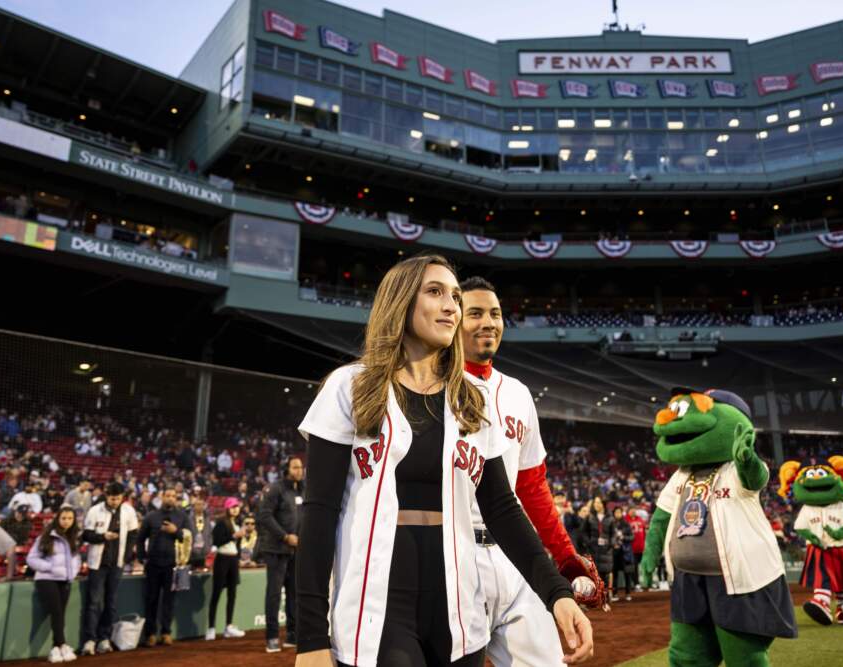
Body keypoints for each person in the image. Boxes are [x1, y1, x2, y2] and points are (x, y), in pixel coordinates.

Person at [294, 255, 592, 667]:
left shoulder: (473, 398)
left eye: (455, 295)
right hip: (377, 601)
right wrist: (310, 637)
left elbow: (503, 508)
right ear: (400, 302)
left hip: (458, 601)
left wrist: (556, 594)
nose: (451, 305)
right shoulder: (350, 387)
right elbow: (319, 514)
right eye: (435, 292)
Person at [459, 276, 604, 666]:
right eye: (474, 313)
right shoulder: (431, 387)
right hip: (453, 553)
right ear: (453, 319)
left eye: (495, 313)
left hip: (515, 554)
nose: (487, 322)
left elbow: (532, 486)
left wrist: (564, 555)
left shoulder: (519, 393)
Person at [80, 482, 139, 656]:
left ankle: (104, 638)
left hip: (117, 564)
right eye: (112, 498)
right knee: (93, 603)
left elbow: (133, 535)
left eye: (118, 498)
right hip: (97, 564)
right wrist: (102, 537)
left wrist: (127, 556)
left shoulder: (128, 511)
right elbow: (86, 535)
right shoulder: (95, 510)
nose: (115, 501)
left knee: (111, 603)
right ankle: (90, 639)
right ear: (107, 496)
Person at [256, 456, 304, 653]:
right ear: (287, 469)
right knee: (274, 594)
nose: (299, 470)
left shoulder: (303, 489)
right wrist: (285, 536)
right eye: (295, 467)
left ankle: (292, 635)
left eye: (301, 467)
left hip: (296, 550)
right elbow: (264, 516)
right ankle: (272, 637)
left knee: (293, 593)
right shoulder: (275, 488)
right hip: (276, 549)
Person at [136, 487, 190, 647]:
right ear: (162, 496)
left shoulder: (182, 517)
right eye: (168, 495)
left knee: (169, 601)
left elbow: (188, 537)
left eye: (174, 496)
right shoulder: (151, 516)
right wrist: (142, 557)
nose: (171, 498)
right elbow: (140, 539)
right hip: (153, 564)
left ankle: (166, 632)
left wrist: (176, 531)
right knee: (151, 600)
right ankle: (151, 634)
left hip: (174, 566)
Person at [27, 506, 82, 664]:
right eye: (64, 518)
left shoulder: (74, 538)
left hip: (65, 580)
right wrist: (49, 568)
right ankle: (60, 645)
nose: (66, 521)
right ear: (58, 518)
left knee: (60, 614)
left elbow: (76, 559)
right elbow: (31, 559)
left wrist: (72, 573)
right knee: (57, 612)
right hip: (46, 579)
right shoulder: (46, 536)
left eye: (70, 519)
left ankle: (57, 647)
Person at [206, 497, 247, 641]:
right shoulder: (221, 523)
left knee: (232, 594)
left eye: (237, 506)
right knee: (216, 594)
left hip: (233, 560)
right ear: (227, 508)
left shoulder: (237, 524)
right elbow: (217, 542)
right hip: (222, 559)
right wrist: (234, 536)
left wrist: (239, 558)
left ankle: (228, 626)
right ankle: (211, 628)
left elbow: (237, 546)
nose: (236, 509)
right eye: (233, 506)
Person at [609, 506, 635, 601]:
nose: (618, 514)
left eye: (619, 512)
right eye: (616, 512)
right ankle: (615, 594)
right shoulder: (611, 524)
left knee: (627, 573)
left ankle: (628, 593)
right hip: (614, 552)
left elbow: (632, 537)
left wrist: (623, 537)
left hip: (625, 552)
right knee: (614, 573)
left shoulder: (626, 524)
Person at [188, 496, 213, 569]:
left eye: (202, 504)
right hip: (192, 551)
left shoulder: (207, 518)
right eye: (198, 504)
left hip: (205, 550)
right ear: (194, 506)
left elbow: (210, 534)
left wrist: (209, 546)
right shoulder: (189, 519)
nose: (200, 506)